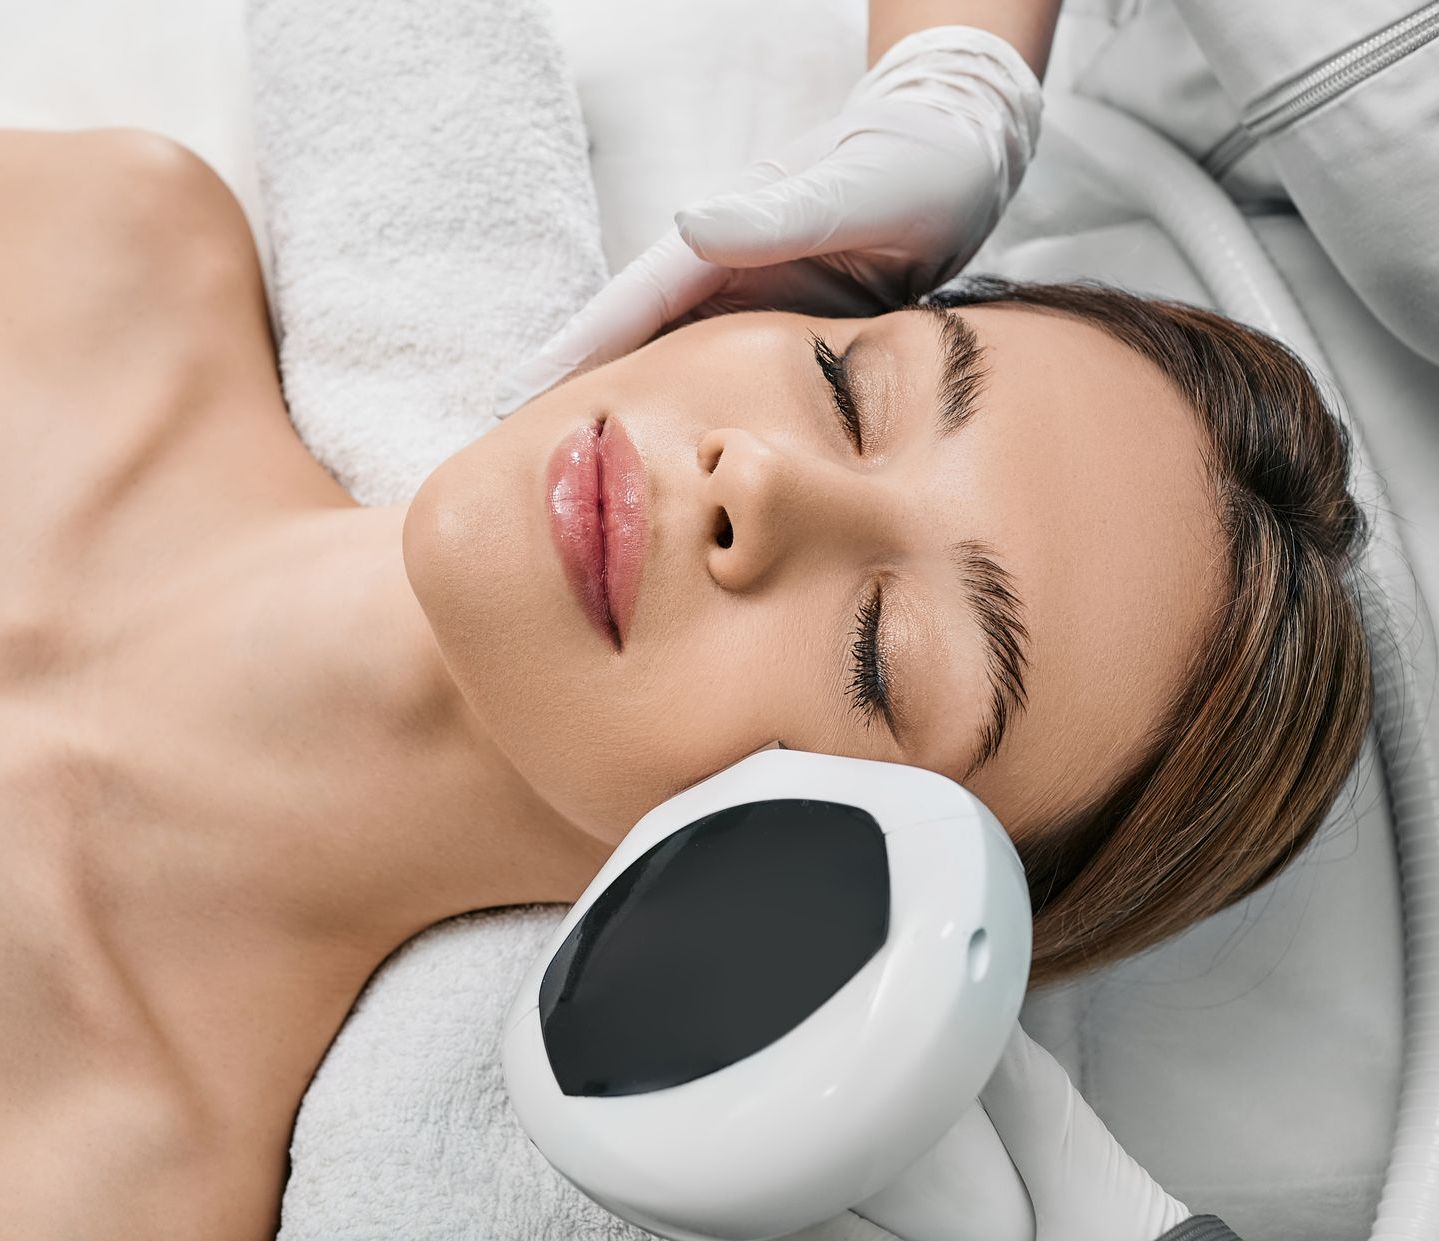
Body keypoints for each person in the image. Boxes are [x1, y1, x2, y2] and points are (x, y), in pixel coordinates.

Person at [0, 114, 1369, 1238]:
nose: (759, 482)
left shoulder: (109, 1187)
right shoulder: (103, 242)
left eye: (881, 654)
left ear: (856, 913)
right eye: (851, 386)